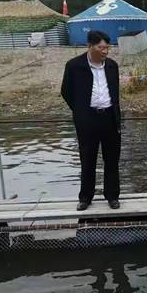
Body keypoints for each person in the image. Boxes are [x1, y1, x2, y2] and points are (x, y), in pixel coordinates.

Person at [61, 31, 121, 211]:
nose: (105, 51)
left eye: (107, 48)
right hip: (88, 119)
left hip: (109, 117)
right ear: (90, 46)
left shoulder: (112, 66)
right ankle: (85, 197)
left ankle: (112, 196)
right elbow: (66, 91)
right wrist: (80, 111)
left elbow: (115, 92)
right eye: (101, 47)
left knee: (112, 159)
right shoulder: (74, 66)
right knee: (87, 159)